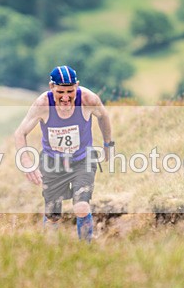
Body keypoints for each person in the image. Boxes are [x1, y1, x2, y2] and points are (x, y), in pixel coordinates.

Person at [14, 65, 114, 242]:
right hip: (52, 163)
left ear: (77, 86)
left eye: (70, 91)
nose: (66, 98)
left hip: (83, 160)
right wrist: (27, 162)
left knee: (82, 207)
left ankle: (86, 250)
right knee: (53, 215)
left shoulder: (88, 99)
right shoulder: (42, 104)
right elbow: (20, 133)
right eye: (60, 92)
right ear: (51, 87)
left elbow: (103, 116)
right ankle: (52, 253)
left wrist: (108, 144)